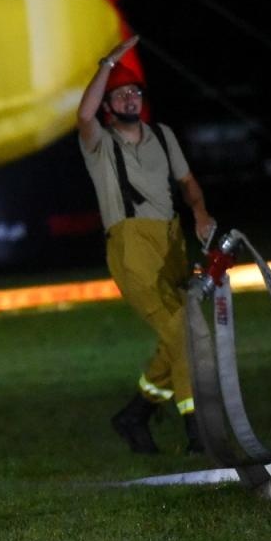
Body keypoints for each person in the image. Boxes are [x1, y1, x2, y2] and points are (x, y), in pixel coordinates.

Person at [76, 35, 216, 455]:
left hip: (172, 242)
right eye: (120, 95)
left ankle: (135, 414)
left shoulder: (163, 135)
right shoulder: (100, 144)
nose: (130, 100)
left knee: (177, 336)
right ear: (108, 105)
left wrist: (200, 214)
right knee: (185, 330)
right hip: (131, 246)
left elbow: (188, 182)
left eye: (134, 92)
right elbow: (83, 114)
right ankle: (198, 430)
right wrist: (108, 64)